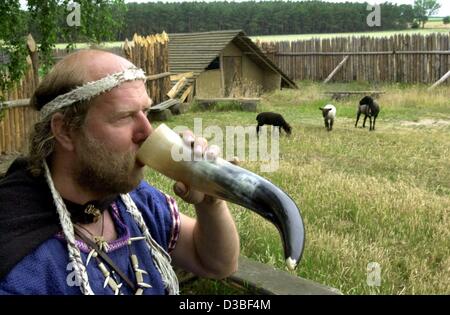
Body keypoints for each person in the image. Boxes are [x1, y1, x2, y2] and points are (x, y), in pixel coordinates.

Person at [0, 49, 240, 295]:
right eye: (124, 117)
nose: (147, 132)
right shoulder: (16, 259)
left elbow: (216, 263)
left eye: (145, 112)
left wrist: (211, 202)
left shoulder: (134, 202)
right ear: (65, 131)